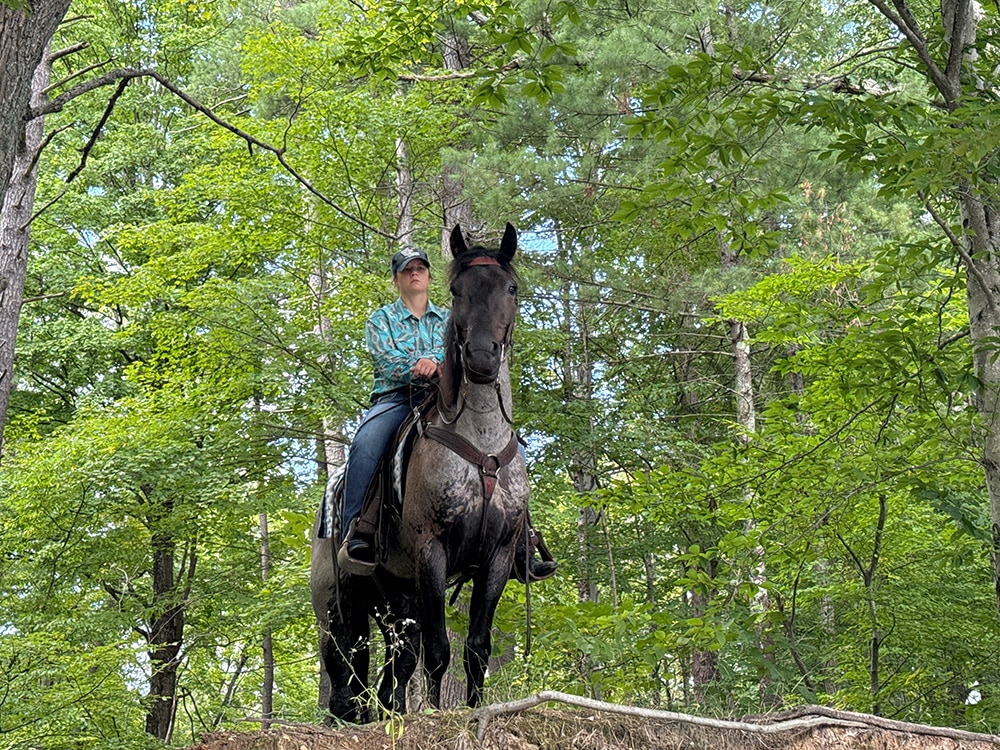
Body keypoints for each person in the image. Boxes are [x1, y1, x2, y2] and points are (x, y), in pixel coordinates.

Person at [338, 246, 558, 582]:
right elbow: (384, 360)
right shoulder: (381, 320)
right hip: (396, 398)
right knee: (366, 444)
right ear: (396, 279)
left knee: (513, 451)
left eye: (420, 268)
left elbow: (466, 345)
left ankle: (521, 541)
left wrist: (442, 365)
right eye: (407, 269)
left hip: (448, 397)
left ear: (428, 276)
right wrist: (417, 365)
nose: (415, 273)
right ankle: (358, 531)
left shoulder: (449, 316)